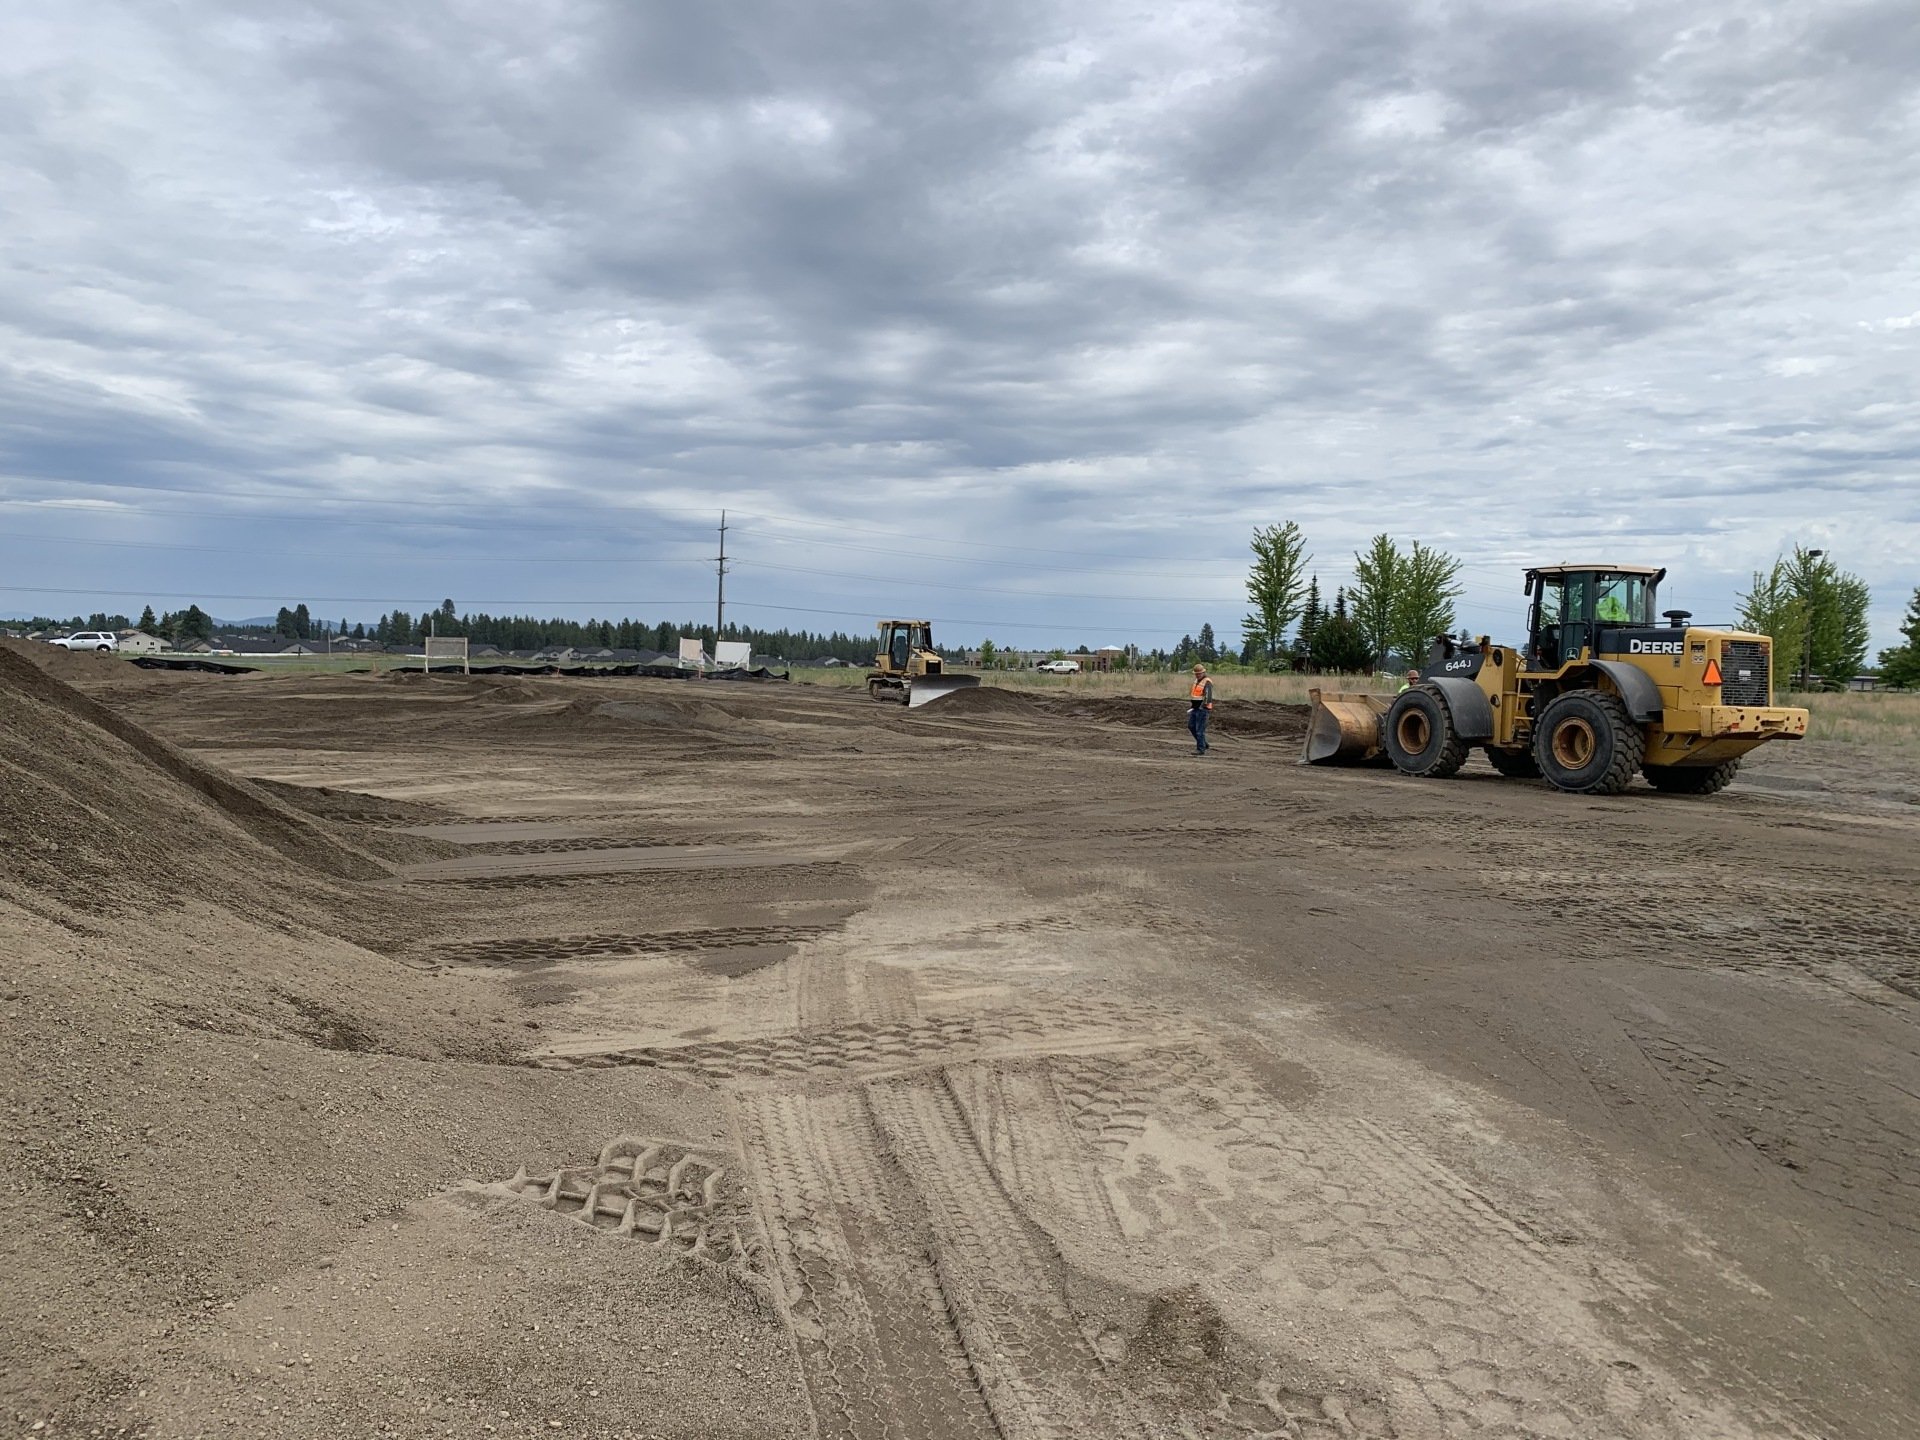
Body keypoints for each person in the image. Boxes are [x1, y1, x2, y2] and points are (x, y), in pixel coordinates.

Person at [1187, 664, 1213, 755]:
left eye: (1199, 673)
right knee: (1191, 726)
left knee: (1199, 730)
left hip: (1202, 709)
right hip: (1195, 708)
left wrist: (1203, 706)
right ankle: (1203, 744)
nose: (1197, 675)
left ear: (1203, 672)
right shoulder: (1196, 681)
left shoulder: (1207, 682)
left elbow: (1208, 697)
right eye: (1196, 674)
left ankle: (1200, 749)